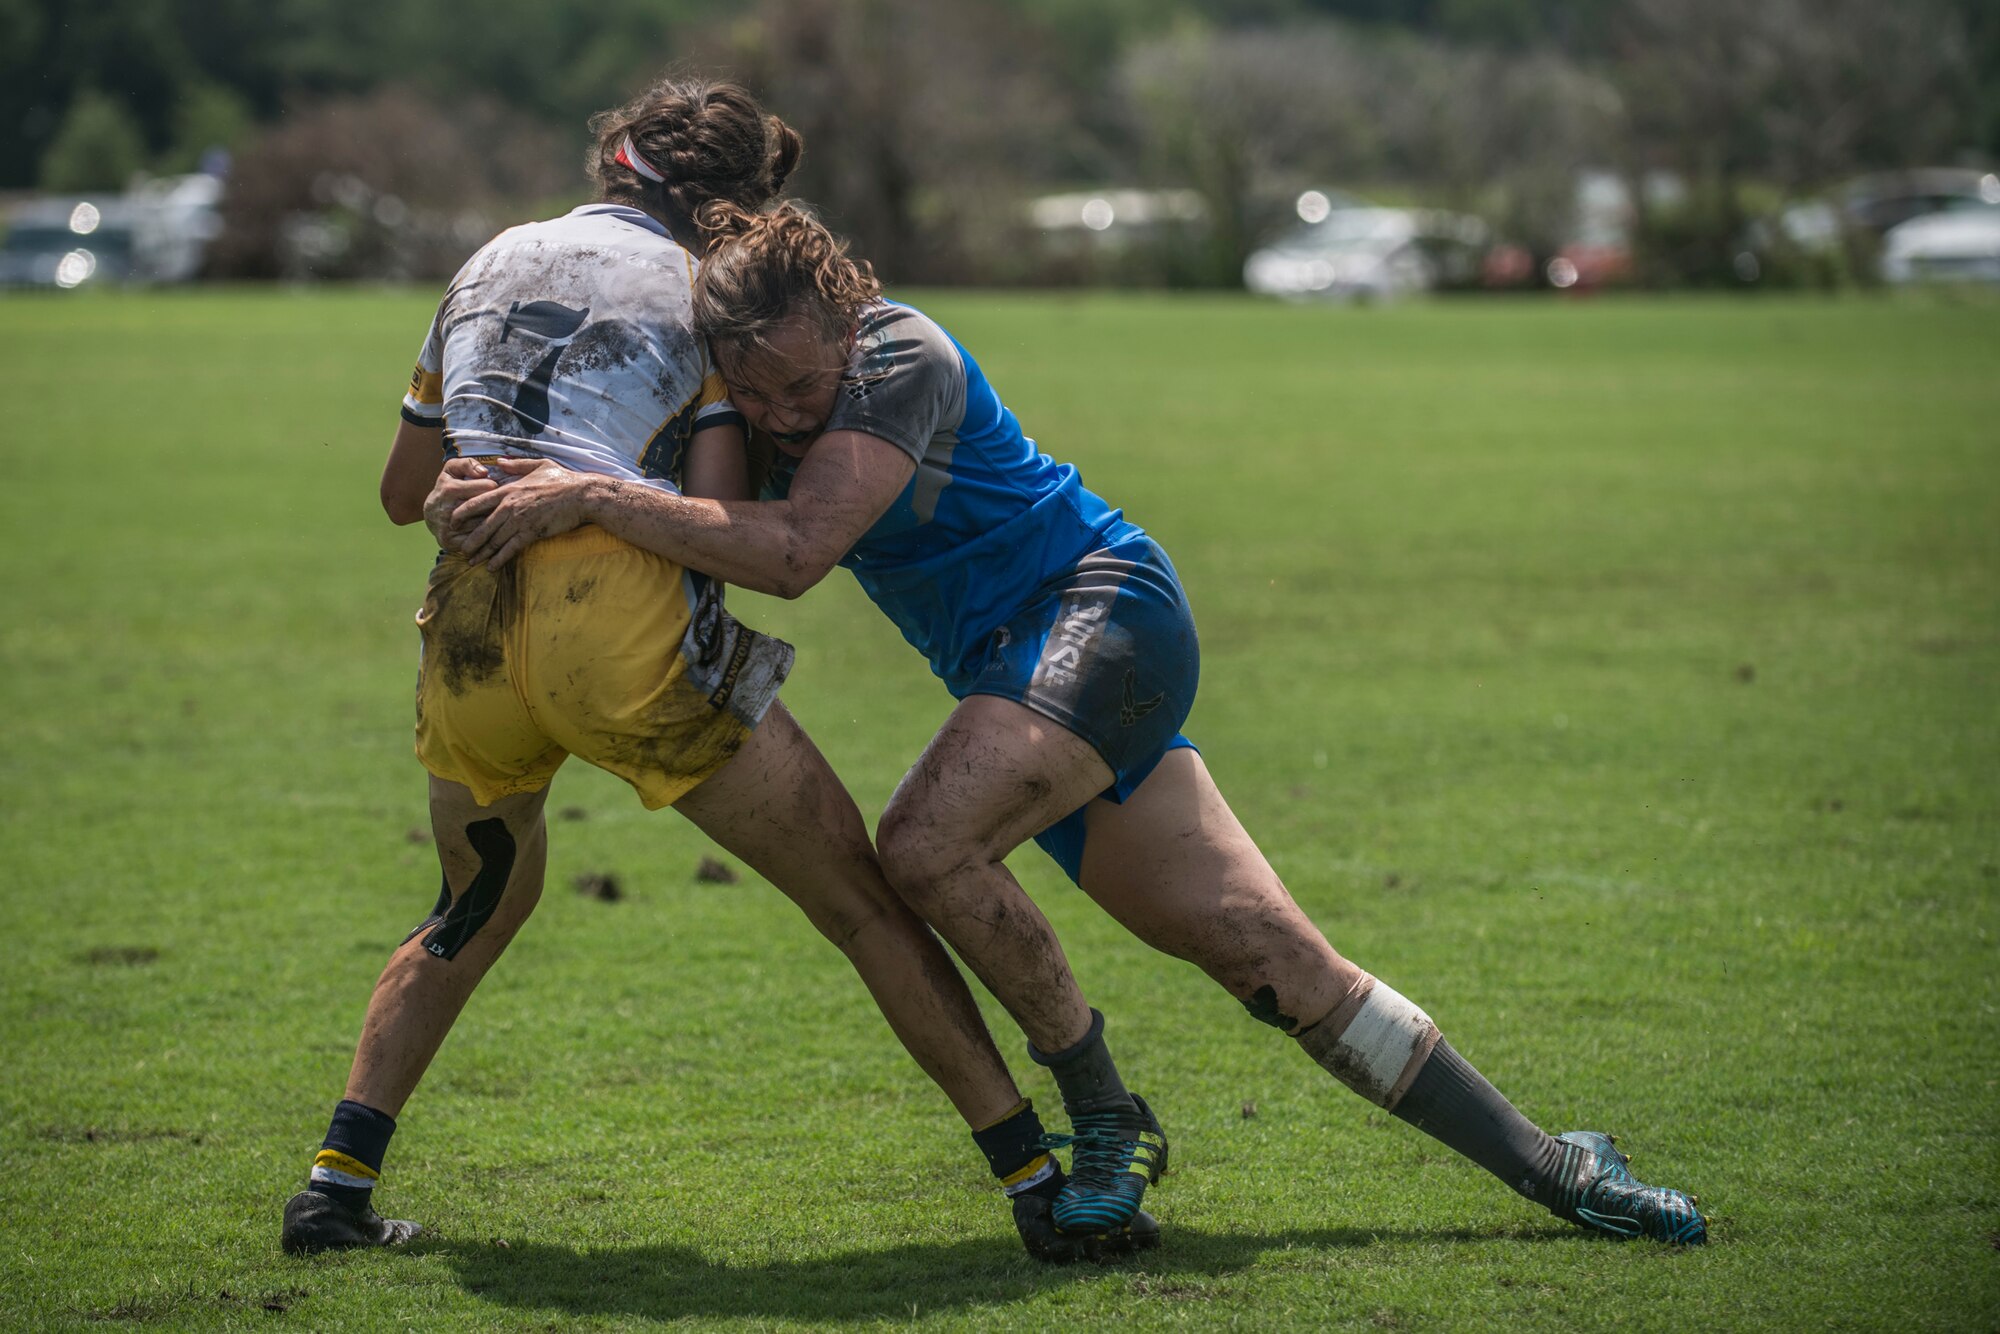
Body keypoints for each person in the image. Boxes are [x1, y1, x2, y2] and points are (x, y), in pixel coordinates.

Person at [430, 203, 1711, 1246]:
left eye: (795, 385)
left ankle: (1103, 1114)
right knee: (1274, 962)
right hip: (1017, 674)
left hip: (1100, 613)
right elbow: (694, 523)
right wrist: (519, 486)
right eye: (751, 395)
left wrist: (578, 494)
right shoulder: (756, 397)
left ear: (843, 316)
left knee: (926, 841)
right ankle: (1556, 1168)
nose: (778, 415)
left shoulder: (896, 356)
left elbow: (791, 549)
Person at [282, 78, 1156, 1264]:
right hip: (619, 636)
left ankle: (334, 1184)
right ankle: (1033, 1177)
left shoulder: (486, 259)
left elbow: (402, 495)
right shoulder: (705, 304)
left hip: (470, 628)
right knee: (857, 895)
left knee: (469, 903)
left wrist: (479, 485)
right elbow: (727, 520)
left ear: (613, 167)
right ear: (733, 205)